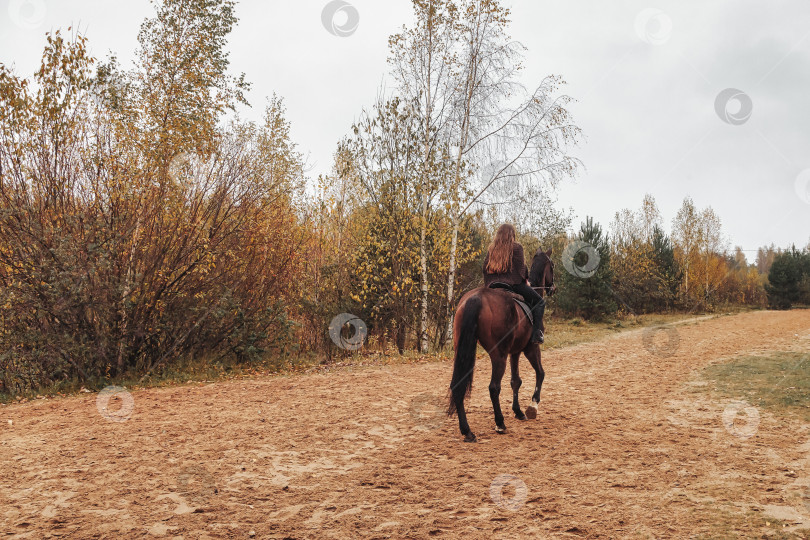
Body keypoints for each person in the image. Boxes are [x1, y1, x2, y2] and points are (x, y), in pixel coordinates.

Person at [482, 224, 545, 344]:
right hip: (513, 284)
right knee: (540, 302)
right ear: (512, 234)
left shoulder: (492, 248)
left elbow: (484, 268)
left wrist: (489, 284)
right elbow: (521, 268)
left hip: (493, 285)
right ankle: (536, 334)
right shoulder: (517, 247)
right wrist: (525, 279)